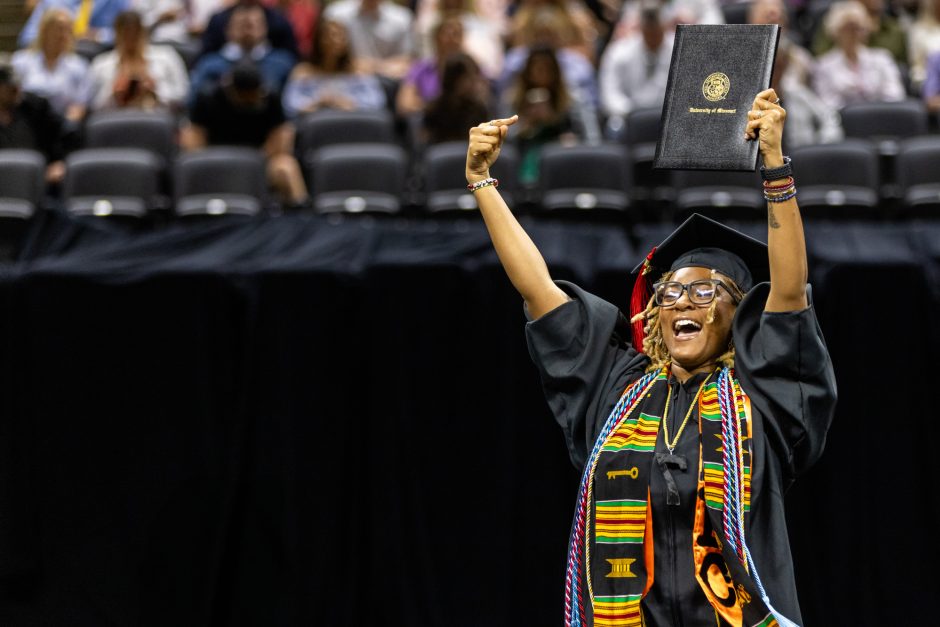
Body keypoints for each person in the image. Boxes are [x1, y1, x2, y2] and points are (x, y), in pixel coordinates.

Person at [463, 88, 837, 626]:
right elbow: (538, 289)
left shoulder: (762, 398)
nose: (682, 301)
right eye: (671, 292)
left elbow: (790, 292)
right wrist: (482, 181)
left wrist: (775, 166)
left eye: (705, 291)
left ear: (739, 315)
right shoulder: (617, 390)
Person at [182, 60, 309, 208]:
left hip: (260, 159)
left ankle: (302, 213)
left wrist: (254, 162)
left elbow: (282, 136)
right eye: (245, 97)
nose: (251, 100)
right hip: (216, 160)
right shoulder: (207, 97)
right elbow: (193, 141)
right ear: (232, 90)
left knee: (286, 166)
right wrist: (214, 162)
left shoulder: (270, 97)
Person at [188, 2, 297, 106]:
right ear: (228, 29)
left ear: (265, 28)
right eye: (241, 25)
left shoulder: (283, 63)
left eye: (252, 25)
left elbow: (293, 105)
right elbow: (193, 102)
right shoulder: (209, 64)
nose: (247, 31)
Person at [84, 10, 190, 113]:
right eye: (125, 34)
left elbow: (184, 95)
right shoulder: (100, 64)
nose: (130, 39)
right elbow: (89, 105)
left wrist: (156, 90)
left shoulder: (167, 56)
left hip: (157, 114)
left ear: (142, 32)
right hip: (115, 117)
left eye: (134, 33)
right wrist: (112, 92)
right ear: (117, 35)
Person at [597, 0, 674, 139]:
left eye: (656, 31)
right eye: (649, 32)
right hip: (630, 117)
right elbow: (610, 95)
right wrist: (633, 113)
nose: (653, 36)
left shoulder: (681, 48)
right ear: (641, 28)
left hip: (670, 115)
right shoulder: (619, 51)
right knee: (615, 128)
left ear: (664, 26)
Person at [281, 17, 386, 118]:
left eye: (340, 36)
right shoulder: (303, 72)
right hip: (314, 122)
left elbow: (377, 102)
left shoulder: (359, 70)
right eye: (329, 36)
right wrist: (317, 103)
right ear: (318, 40)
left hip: (352, 120)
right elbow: (289, 105)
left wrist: (350, 103)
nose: (335, 40)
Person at [812, 0, 906, 109]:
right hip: (844, 118)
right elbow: (828, 105)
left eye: (858, 28)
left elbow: (895, 95)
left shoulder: (882, 58)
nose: (854, 34)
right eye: (848, 28)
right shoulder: (823, 66)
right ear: (835, 32)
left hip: (882, 115)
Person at [11, 7, 89, 122]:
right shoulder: (20, 61)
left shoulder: (79, 66)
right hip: (26, 122)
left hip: (61, 124)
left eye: (68, 30)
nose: (63, 35)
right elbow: (13, 98)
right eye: (59, 29)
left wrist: (66, 124)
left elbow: (79, 105)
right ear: (44, 30)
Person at [0, 62, 72, 184]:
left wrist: (59, 162)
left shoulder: (36, 107)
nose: (17, 91)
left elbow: (66, 135)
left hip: (39, 179)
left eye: (17, 85)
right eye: (9, 87)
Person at [321, 0, 415, 81]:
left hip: (387, 83)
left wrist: (371, 67)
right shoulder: (335, 14)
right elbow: (325, 55)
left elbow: (406, 62)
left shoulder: (402, 18)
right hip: (345, 79)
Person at [18, 0, 131, 48]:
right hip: (57, 55)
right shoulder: (53, 2)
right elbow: (27, 38)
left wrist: (98, 35)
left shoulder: (117, 1)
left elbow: (129, 33)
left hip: (97, 54)